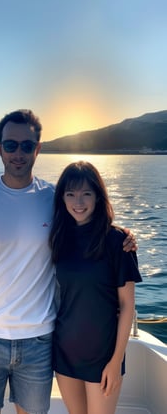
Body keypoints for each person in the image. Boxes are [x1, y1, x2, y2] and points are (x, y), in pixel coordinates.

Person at [0, 110, 136, 414]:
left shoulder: (55, 199)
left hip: (38, 341)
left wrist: (125, 234)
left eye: (26, 146)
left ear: (38, 148)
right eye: (10, 145)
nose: (18, 153)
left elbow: (90, 220)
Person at [49, 161, 142, 414]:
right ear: (62, 198)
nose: (78, 202)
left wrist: (115, 362)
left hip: (103, 354)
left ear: (98, 197)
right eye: (70, 194)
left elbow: (127, 305)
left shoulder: (118, 241)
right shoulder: (59, 238)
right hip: (65, 349)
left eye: (86, 193)